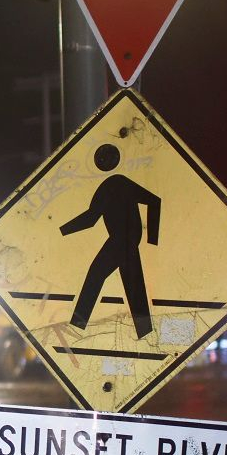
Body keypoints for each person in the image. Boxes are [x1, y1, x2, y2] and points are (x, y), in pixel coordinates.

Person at [60, 144, 162, 336]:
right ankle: (145, 331)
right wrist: (63, 230)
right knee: (132, 283)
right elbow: (91, 219)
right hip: (125, 239)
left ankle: (77, 325)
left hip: (123, 239)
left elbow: (154, 201)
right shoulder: (108, 186)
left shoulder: (118, 183)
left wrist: (152, 239)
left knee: (96, 274)